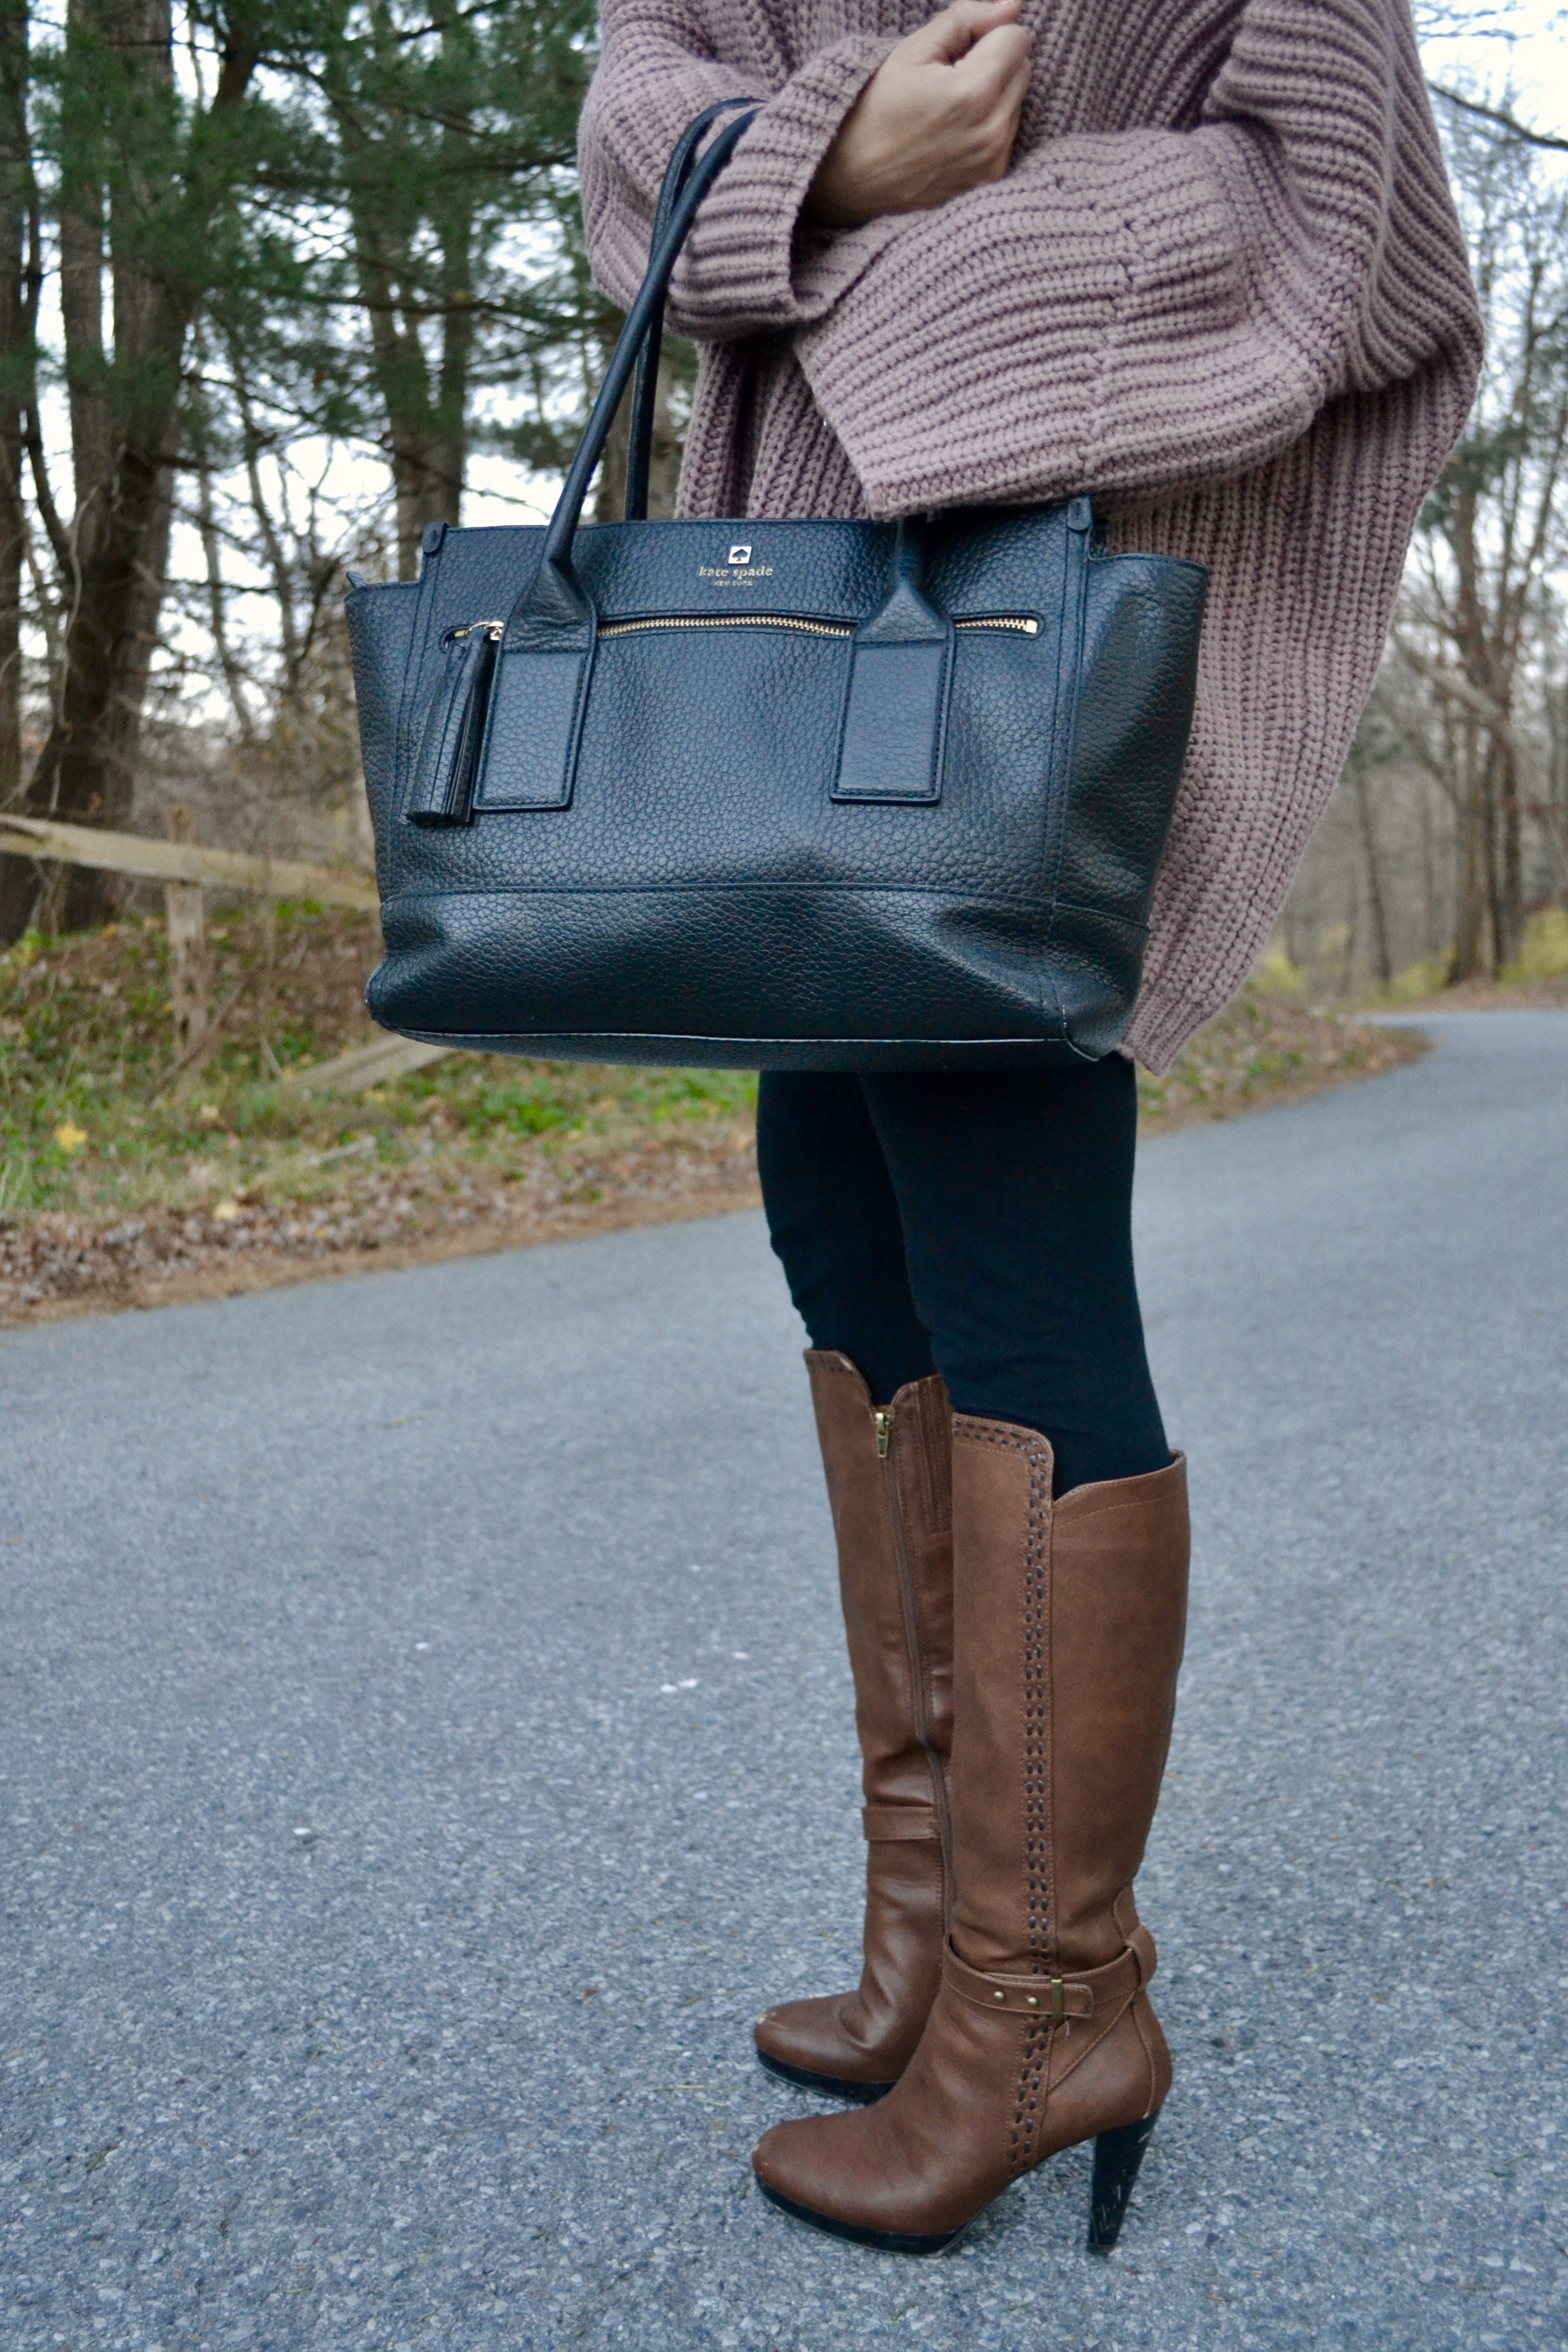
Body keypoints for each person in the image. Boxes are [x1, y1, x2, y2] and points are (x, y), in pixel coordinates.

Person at [577, 0, 1481, 2256]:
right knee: (839, 1224)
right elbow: (636, 104)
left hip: (1037, 631)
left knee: (1011, 1249)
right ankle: (936, 1932)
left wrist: (902, 244)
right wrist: (829, 152)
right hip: (799, 621)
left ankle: (1055, 1987)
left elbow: (1345, 218)